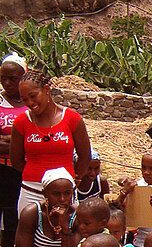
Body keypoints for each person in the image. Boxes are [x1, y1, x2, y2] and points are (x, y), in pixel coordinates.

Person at [10, 69, 91, 213]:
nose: (30, 103)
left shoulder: (72, 118)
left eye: (33, 96)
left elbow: (85, 157)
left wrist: (70, 178)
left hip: (64, 194)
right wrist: (37, 175)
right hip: (31, 191)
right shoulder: (21, 122)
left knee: (66, 232)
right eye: (24, 99)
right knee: (28, 233)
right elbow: (16, 160)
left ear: (46, 90)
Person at [0, 53, 27, 247]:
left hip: (27, 176)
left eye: (13, 78)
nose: (7, 83)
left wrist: (10, 140)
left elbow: (34, 141)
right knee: (6, 235)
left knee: (28, 231)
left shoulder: (33, 104)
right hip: (3, 176)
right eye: (3, 78)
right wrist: (20, 141)